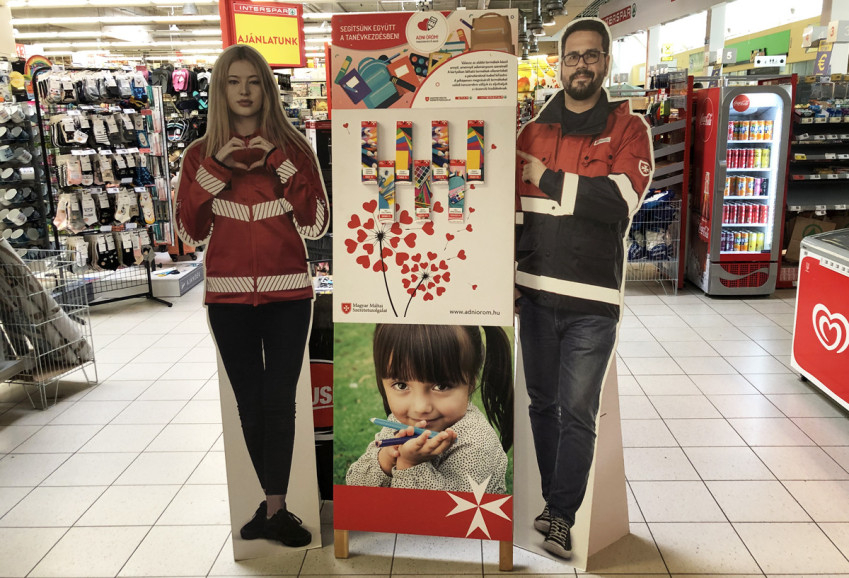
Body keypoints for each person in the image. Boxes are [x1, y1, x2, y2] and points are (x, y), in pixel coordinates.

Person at [175, 44, 329, 548]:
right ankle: (271, 507)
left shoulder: (294, 147)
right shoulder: (197, 155)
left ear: (267, 88)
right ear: (220, 90)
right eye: (233, 82)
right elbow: (189, 231)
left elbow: (315, 222)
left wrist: (278, 162)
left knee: (279, 403)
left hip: (289, 296)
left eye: (254, 81)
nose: (244, 92)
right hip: (227, 301)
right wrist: (216, 168)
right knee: (249, 405)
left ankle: (276, 509)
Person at [514, 18, 653, 560]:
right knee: (541, 404)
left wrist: (546, 177)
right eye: (572, 56)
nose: (581, 65)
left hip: (593, 302)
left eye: (591, 56)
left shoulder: (630, 129)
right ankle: (554, 505)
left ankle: (561, 514)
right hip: (534, 295)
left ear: (606, 63)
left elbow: (617, 202)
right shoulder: (531, 133)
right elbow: (514, 215)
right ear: (560, 64)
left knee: (577, 412)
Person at [346, 325, 513, 494]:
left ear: (470, 382)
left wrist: (410, 464)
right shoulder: (399, 424)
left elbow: (449, 509)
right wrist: (387, 458)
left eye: (441, 386)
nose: (420, 408)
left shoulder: (477, 443)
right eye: (401, 385)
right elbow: (355, 490)